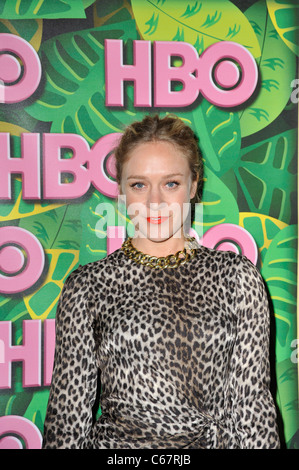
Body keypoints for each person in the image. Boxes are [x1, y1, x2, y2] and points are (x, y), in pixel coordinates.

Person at [42, 114, 280, 449]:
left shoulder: (236, 278)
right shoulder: (87, 287)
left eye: (171, 183)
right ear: (122, 190)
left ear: (194, 184)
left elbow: (253, 409)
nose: (155, 202)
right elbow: (67, 419)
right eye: (139, 184)